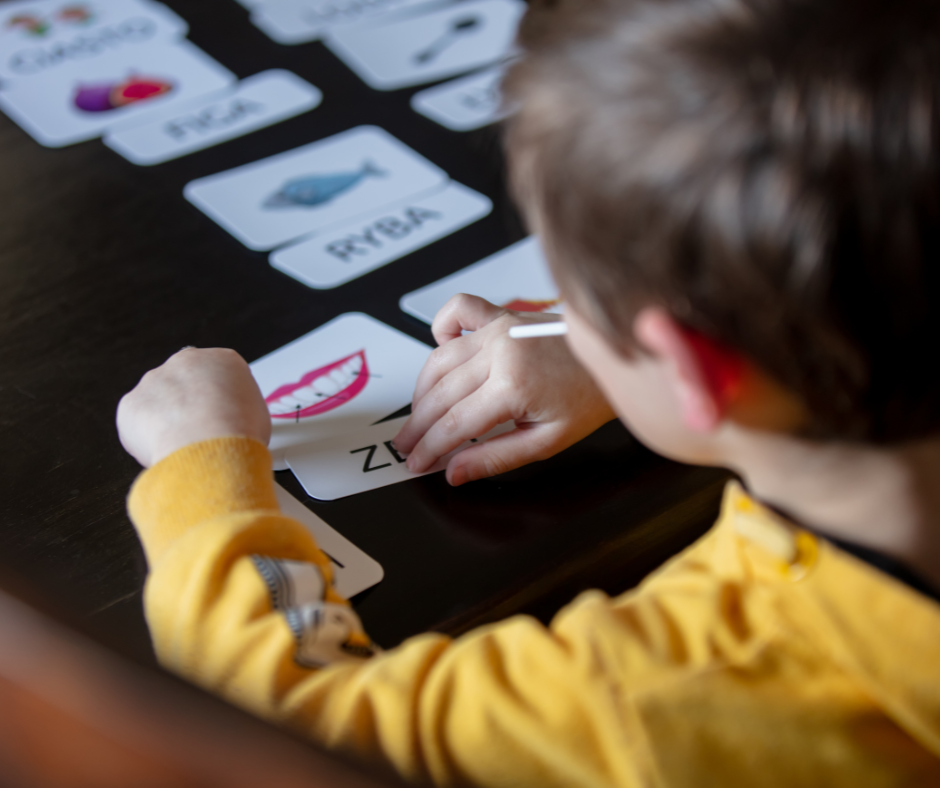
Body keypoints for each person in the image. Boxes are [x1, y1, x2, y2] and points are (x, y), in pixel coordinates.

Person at [116, 0, 940, 784]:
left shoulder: (666, 698)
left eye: (570, 290)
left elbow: (291, 731)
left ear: (697, 372)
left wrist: (202, 469)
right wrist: (623, 355)